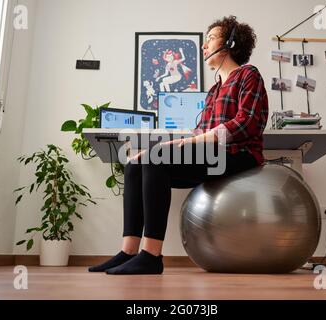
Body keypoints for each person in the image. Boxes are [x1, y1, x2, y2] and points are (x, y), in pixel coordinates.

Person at [88, 16, 269, 275]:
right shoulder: (214, 91)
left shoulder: (248, 75)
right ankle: (128, 251)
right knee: (136, 163)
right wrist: (159, 147)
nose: (204, 46)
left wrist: (187, 143)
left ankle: (151, 256)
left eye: (210, 39)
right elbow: (199, 131)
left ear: (229, 43)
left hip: (239, 154)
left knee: (155, 158)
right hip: (215, 154)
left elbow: (247, 123)